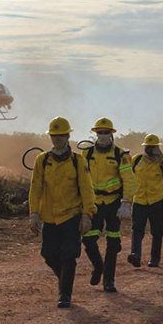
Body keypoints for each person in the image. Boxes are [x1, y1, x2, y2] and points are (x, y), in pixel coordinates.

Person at [29, 116, 95, 308]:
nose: (57, 139)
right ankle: (64, 280)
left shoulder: (78, 161)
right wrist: (34, 214)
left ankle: (65, 294)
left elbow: (87, 189)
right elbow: (35, 189)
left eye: (60, 136)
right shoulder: (42, 161)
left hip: (71, 215)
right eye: (54, 136)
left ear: (67, 136)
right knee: (49, 255)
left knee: (69, 255)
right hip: (49, 218)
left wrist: (87, 215)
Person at [81, 117, 137, 292]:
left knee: (113, 243)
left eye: (106, 133)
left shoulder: (121, 155)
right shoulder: (87, 154)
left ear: (112, 134)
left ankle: (109, 281)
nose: (103, 136)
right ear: (95, 134)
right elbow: (80, 181)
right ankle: (99, 267)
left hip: (113, 204)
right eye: (100, 133)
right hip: (94, 204)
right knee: (88, 240)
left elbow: (129, 180)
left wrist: (126, 203)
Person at [128, 134, 163, 268]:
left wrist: (161, 157)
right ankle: (135, 255)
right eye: (147, 147)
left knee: (157, 231)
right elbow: (128, 176)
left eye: (152, 147)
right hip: (139, 200)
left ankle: (155, 258)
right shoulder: (137, 160)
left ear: (157, 148)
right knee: (137, 230)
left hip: (157, 201)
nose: (149, 150)